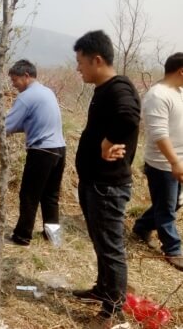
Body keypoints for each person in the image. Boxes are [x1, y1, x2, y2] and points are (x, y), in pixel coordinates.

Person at [72, 30, 141, 329]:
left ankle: (113, 309)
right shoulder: (104, 89)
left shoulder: (119, 88)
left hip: (109, 186)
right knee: (101, 241)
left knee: (111, 247)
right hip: (95, 182)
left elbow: (129, 115)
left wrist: (107, 141)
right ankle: (103, 289)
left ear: (96, 60)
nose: (78, 68)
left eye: (81, 62)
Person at [0, 59, 66, 246]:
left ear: (26, 76)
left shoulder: (26, 97)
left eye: (15, 80)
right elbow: (30, 123)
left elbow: (6, 125)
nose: (13, 85)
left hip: (42, 151)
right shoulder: (47, 92)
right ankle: (53, 236)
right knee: (51, 195)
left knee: (29, 195)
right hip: (59, 150)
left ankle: (22, 237)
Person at [132, 52, 183, 271]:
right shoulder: (157, 95)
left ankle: (142, 226)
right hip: (163, 163)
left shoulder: (178, 92)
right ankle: (173, 249)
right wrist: (174, 162)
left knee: (173, 203)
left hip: (178, 160)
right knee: (167, 209)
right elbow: (159, 134)